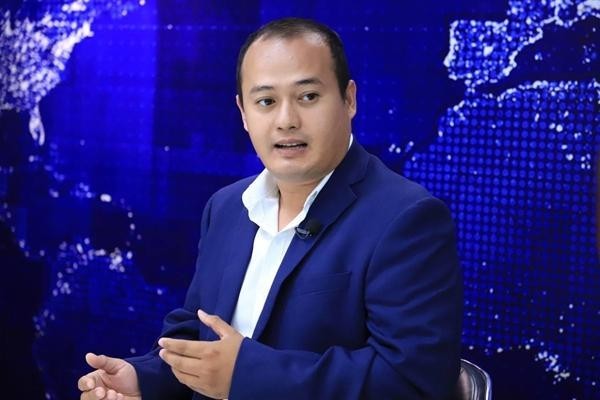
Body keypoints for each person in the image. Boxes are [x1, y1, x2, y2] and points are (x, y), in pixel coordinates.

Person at [77, 17, 463, 400]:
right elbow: (198, 335)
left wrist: (244, 375)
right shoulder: (227, 207)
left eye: (308, 97)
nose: (286, 121)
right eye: (266, 102)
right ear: (244, 113)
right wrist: (144, 380)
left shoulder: (407, 218)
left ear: (349, 99)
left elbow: (413, 382)